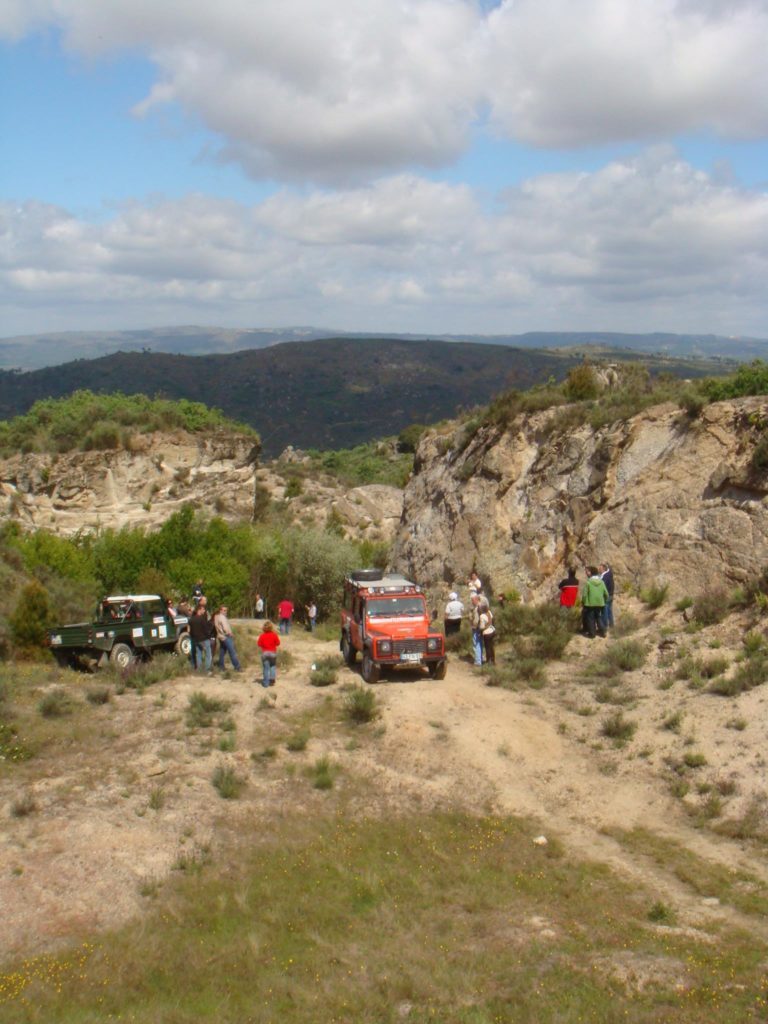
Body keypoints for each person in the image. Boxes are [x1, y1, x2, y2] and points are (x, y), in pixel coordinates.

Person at [581, 567, 609, 639]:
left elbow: (584, 594)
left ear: (591, 573)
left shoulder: (588, 583)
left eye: (587, 572)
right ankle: (603, 632)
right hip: (600, 603)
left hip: (590, 604)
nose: (586, 573)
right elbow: (606, 594)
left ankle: (592, 634)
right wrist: (604, 601)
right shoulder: (601, 582)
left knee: (590, 619)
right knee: (598, 618)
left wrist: (583, 602)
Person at [213, 605, 242, 672]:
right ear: (220, 610)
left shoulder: (216, 617)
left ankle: (221, 667)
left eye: (226, 610)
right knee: (232, 652)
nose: (226, 612)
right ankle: (237, 667)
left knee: (222, 652)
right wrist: (229, 633)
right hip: (226, 636)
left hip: (220, 636)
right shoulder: (222, 617)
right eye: (224, 610)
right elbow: (225, 628)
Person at [189, 603, 213, 673]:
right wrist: (210, 637)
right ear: (199, 610)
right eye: (203, 609)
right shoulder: (202, 619)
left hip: (196, 640)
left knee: (198, 655)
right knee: (208, 654)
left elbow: (191, 631)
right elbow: (206, 630)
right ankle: (207, 670)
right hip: (204, 639)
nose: (204, 611)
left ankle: (199, 670)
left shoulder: (191, 619)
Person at [257, 620, 280, 690]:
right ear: (271, 628)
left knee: (266, 668)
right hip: (273, 653)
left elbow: (259, 644)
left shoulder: (262, 636)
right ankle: (272, 680)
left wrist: (264, 646)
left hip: (265, 654)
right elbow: (278, 643)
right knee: (272, 666)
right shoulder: (274, 635)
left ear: (264, 628)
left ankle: (266, 683)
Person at [470, 593, 485, 666]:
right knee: (480, 643)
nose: (472, 602)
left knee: (476, 644)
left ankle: (478, 661)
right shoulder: (482, 606)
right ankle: (481, 658)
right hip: (481, 627)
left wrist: (473, 626)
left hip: (477, 628)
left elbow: (476, 620)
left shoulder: (477, 608)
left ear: (476, 599)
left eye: (472, 600)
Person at [599, 563, 615, 630]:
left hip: (607, 595)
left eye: (599, 568)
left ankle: (605, 626)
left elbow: (603, 587)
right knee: (609, 610)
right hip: (610, 594)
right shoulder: (609, 574)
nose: (598, 569)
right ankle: (611, 625)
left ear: (603, 568)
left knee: (604, 611)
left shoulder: (605, 576)